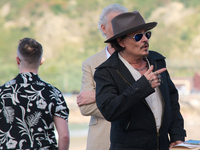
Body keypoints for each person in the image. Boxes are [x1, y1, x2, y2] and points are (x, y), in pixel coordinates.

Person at [94, 11, 186, 150]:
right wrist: (142, 86)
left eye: (147, 34)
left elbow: (172, 101)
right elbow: (110, 111)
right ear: (121, 41)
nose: (145, 39)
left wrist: (177, 135)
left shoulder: (157, 61)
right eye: (138, 36)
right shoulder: (106, 71)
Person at [0, 38, 70, 150]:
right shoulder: (53, 93)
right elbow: (64, 136)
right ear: (41, 61)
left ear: (17, 60)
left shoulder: (2, 92)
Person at [76, 4, 128, 150]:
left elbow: (144, 99)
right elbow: (85, 108)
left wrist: (98, 96)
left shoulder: (138, 59)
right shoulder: (90, 64)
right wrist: (128, 103)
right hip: (100, 142)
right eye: (115, 22)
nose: (120, 27)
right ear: (103, 28)